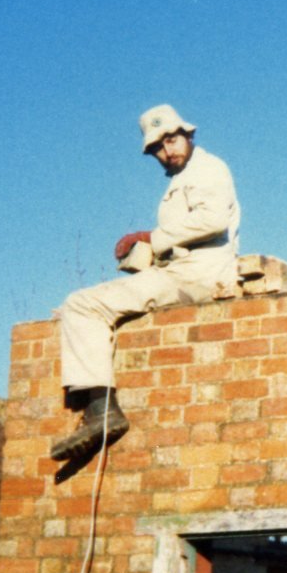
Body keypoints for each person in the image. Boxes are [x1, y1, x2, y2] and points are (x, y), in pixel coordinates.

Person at [49, 104, 241, 461]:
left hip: (199, 276)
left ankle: (101, 411)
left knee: (82, 304)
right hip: (179, 272)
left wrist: (152, 238)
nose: (167, 152)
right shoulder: (181, 181)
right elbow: (177, 238)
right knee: (69, 308)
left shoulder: (209, 168)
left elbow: (212, 221)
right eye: (158, 148)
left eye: (171, 140)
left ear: (187, 134)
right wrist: (143, 252)